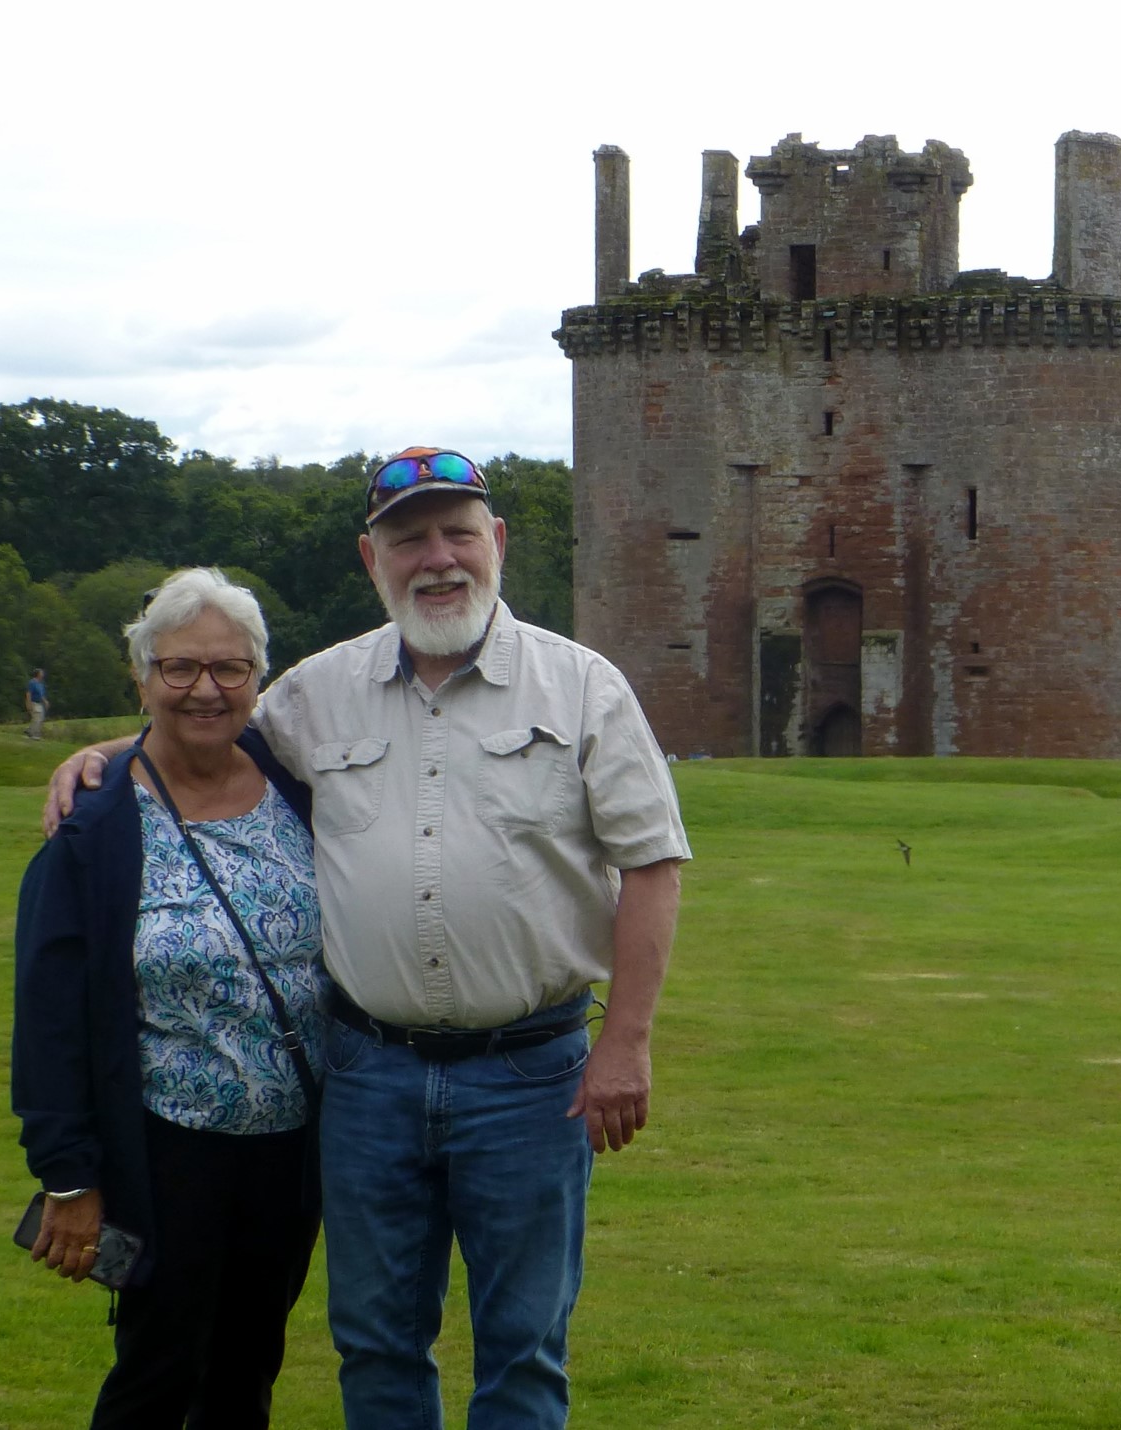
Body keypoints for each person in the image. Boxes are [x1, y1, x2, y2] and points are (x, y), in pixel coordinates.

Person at [50, 447, 690, 1429]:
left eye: (457, 533)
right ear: (371, 557)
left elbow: (651, 862)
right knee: (378, 1341)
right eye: (408, 538)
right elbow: (202, 716)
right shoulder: (319, 691)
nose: (437, 558)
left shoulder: (583, 688)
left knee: (523, 1349)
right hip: (367, 1080)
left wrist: (628, 1040)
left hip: (532, 1075)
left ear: (497, 542)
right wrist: (98, 754)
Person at [15, 569, 323, 1427]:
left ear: (259, 679)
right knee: (159, 1366)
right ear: (143, 676)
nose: (204, 689)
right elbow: (49, 1021)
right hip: (165, 1152)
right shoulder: (95, 831)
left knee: (249, 1362)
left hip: (292, 1151)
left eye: (230, 669)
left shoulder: (292, 783)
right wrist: (69, 1179)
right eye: (179, 668)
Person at [25, 667, 48, 739]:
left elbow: (41, 695)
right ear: (38, 674)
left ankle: (30, 730)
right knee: (36, 718)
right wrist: (28, 704)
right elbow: (29, 694)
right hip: (33, 702)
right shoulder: (32, 682)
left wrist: (45, 702)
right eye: (41, 673)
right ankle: (33, 734)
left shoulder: (40, 684)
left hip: (39, 703)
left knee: (40, 718)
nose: (43, 674)